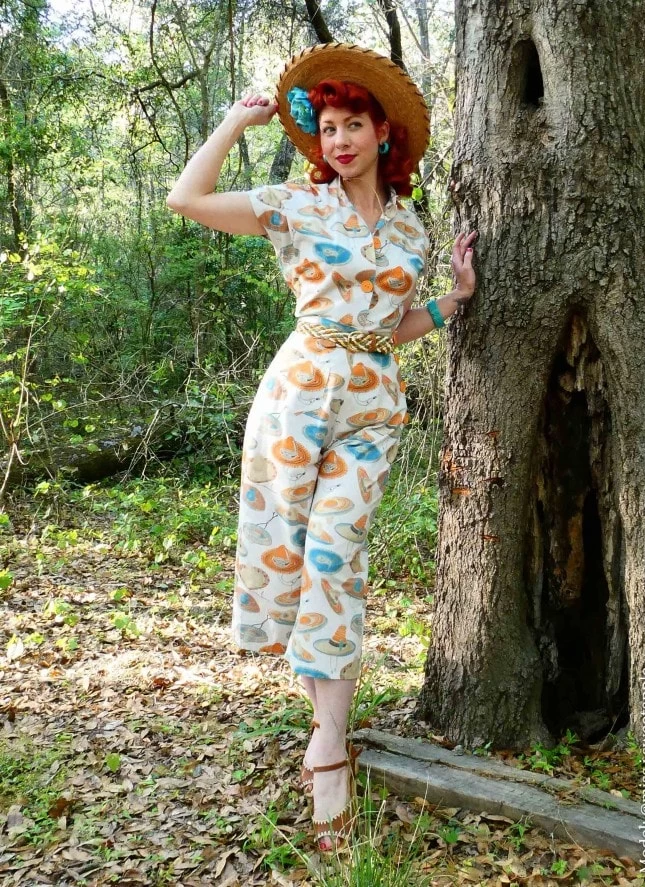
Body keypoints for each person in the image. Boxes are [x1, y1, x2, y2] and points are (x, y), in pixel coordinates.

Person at [167, 43, 477, 852]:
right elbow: (184, 198)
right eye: (327, 127)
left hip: (373, 402)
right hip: (297, 393)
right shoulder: (296, 205)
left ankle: (329, 748)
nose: (337, 140)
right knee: (288, 554)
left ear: (382, 132)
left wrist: (451, 300)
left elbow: (393, 326)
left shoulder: (409, 225)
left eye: (352, 125)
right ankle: (325, 728)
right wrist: (234, 123)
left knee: (337, 557)